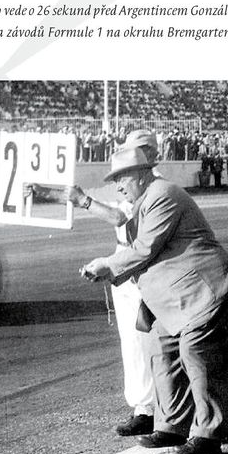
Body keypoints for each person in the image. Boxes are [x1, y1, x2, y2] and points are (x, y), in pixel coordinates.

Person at [80, 146, 228, 454]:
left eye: (122, 178)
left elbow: (144, 249)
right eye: (114, 180)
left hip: (203, 290)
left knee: (198, 354)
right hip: (174, 297)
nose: (117, 185)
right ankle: (171, 426)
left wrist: (106, 264)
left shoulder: (162, 194)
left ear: (142, 175)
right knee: (162, 349)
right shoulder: (144, 202)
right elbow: (126, 229)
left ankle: (209, 432)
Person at [63, 130, 161, 436]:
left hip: (142, 264)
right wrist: (45, 191)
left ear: (153, 154)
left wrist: (85, 201)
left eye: (143, 149)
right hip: (125, 263)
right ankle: (144, 407)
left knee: (148, 340)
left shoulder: (152, 183)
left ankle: (156, 407)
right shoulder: (129, 180)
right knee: (132, 341)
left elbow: (120, 218)